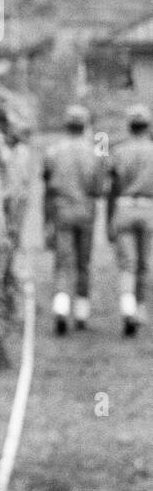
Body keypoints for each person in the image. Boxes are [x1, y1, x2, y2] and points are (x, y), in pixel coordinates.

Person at [42, 104, 102, 333]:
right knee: (83, 264)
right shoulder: (94, 151)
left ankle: (61, 307)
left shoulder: (53, 150)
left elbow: (47, 188)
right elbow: (98, 188)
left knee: (62, 263)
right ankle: (81, 312)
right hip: (86, 211)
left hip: (61, 211)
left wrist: (46, 222)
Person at [108, 103, 153, 336]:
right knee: (145, 264)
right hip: (149, 210)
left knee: (128, 264)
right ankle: (141, 308)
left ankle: (127, 308)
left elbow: (111, 186)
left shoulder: (118, 150)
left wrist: (109, 219)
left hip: (124, 208)